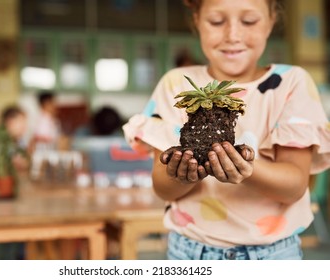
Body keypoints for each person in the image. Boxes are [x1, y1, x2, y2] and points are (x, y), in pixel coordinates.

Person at [123, 0, 330, 260]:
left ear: (271, 21)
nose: (233, 35)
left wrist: (248, 168)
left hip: (274, 255)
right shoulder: (174, 84)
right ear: (197, 20)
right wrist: (181, 174)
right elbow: (162, 188)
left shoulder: (291, 84)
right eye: (217, 22)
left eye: (249, 21)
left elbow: (293, 186)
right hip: (189, 252)